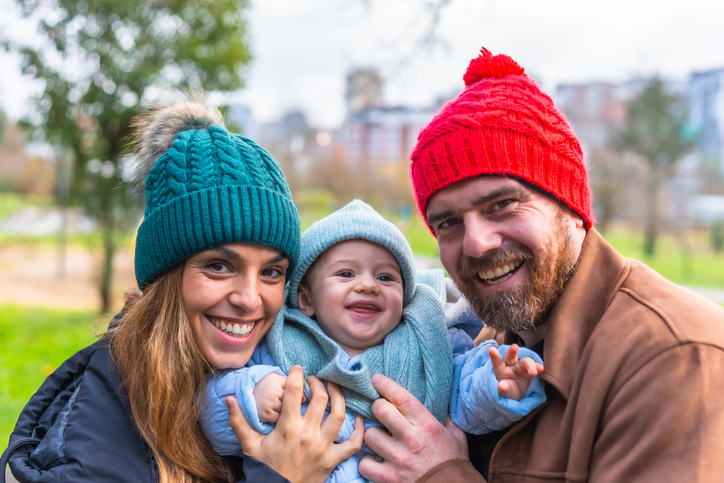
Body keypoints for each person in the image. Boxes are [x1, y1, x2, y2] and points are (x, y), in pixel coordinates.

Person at [357, 47, 724, 483]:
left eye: (502, 204)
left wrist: (443, 475)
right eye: (449, 223)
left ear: (570, 206)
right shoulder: (482, 343)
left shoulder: (673, 358)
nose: (475, 243)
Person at [4, 99, 362, 483]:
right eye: (219, 266)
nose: (250, 298)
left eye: (272, 272)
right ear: (165, 274)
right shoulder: (98, 443)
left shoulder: (263, 376)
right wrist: (280, 476)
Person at [203, 199, 546, 483]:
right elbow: (214, 416)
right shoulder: (280, 346)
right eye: (346, 273)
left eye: (385, 276)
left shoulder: (429, 346)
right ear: (305, 300)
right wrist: (252, 392)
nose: (368, 285)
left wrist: (498, 385)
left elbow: (465, 400)